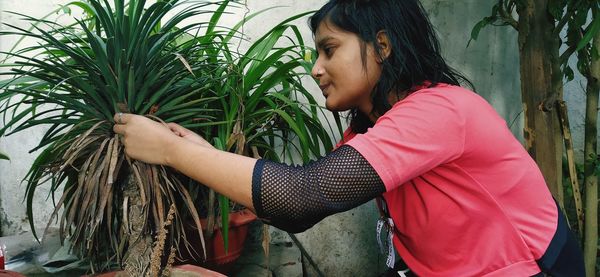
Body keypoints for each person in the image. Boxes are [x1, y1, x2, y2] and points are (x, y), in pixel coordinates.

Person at [112, 0, 585, 276]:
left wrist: (172, 152)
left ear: (382, 45)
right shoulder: (377, 122)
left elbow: (300, 197)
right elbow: (297, 205)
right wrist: (197, 150)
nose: (316, 68)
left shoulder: (440, 112)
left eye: (329, 49)